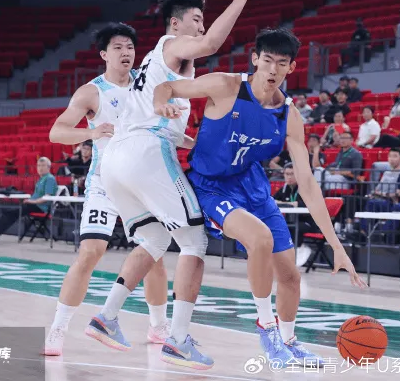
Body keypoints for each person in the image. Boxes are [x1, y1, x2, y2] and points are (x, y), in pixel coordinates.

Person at [153, 27, 365, 368]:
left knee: (291, 276)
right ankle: (267, 329)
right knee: (260, 239)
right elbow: (166, 87)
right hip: (211, 186)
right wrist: (160, 104)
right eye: (267, 60)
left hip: (253, 187)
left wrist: (336, 245)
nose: (272, 69)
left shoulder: (289, 115)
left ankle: (290, 342)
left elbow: (307, 183)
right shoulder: (225, 86)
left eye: (281, 63)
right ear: (255, 59)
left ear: (291, 68)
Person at [86, 0, 258, 370]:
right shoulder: (173, 44)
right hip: (147, 151)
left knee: (154, 240)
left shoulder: (158, 59)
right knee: (195, 242)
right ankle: (178, 339)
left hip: (118, 158)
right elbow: (209, 44)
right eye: (197, 19)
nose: (202, 25)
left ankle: (106, 316)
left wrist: (197, 5)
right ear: (176, 25)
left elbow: (185, 61)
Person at [42, 23, 171, 356]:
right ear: (104, 54)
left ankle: (158, 326)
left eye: (130, 47)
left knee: (154, 256)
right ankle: (58, 328)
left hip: (141, 183)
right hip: (105, 181)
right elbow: (57, 132)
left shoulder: (147, 84)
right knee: (91, 252)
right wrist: (92, 132)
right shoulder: (91, 92)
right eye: (118, 47)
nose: (126, 52)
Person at [0, 157, 58, 242]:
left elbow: (47, 197)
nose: (40, 168)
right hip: (32, 204)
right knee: (7, 211)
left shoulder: (49, 179)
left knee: (10, 213)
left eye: (43, 166)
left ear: (48, 167)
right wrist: (28, 199)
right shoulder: (41, 179)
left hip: (40, 207)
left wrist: (32, 201)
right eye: (38, 165)